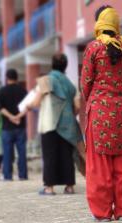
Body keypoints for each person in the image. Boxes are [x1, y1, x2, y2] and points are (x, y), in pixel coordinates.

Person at [80, 5, 122, 222]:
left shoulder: (93, 48)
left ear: (99, 23)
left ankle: (103, 212)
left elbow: (85, 83)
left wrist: (96, 98)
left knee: (100, 165)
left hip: (100, 115)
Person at [25, 54, 82, 195]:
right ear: (66, 65)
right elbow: (77, 107)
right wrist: (67, 115)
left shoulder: (46, 80)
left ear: (52, 64)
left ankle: (49, 188)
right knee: (67, 155)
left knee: (50, 155)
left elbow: (37, 102)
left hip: (49, 123)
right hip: (68, 125)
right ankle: (69, 186)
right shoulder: (71, 84)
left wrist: (28, 105)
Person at [0, 69, 28, 181]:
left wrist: (11, 117)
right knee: (22, 152)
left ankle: (7, 175)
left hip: (7, 127)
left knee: (7, 152)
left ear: (7, 78)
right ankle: (23, 175)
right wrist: (18, 117)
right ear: (17, 78)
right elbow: (27, 107)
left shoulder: (1, 91)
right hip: (20, 126)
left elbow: (1, 108)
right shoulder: (23, 91)